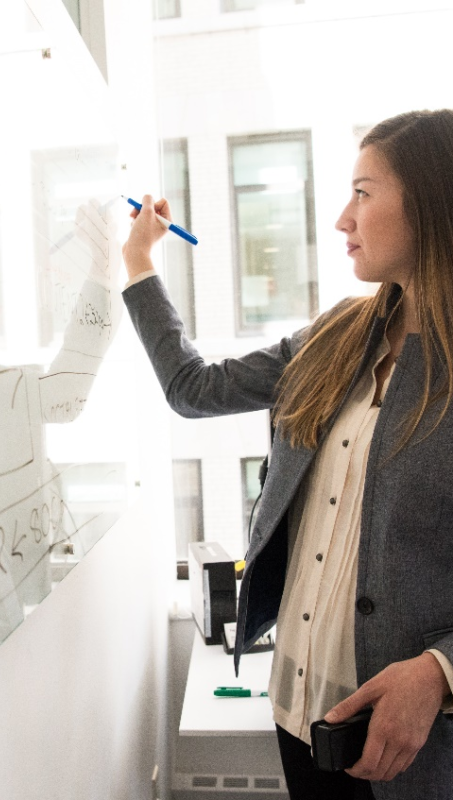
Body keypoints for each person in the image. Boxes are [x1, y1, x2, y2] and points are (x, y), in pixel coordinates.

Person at [121, 109, 453, 800]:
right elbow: (194, 388)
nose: (342, 218)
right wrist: (139, 266)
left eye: (363, 192)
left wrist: (440, 670)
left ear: (430, 203)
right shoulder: (336, 335)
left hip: (412, 749)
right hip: (299, 712)